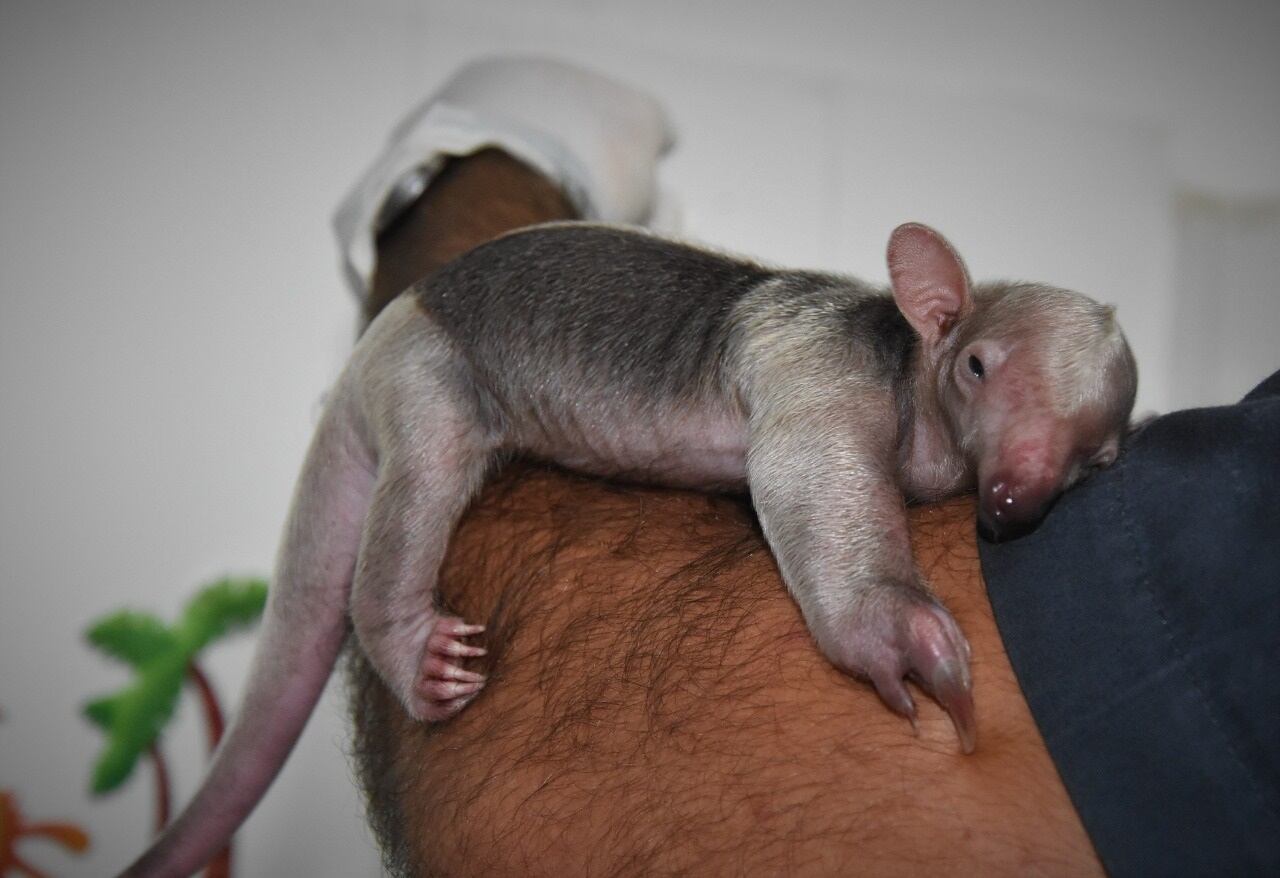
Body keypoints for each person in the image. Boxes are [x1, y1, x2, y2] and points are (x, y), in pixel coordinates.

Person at [337, 59, 1280, 877]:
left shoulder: (970, 418)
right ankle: (387, 617)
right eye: (980, 373)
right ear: (935, 311)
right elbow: (806, 452)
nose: (1019, 475)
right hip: (457, 342)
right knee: (437, 434)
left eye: (1080, 460)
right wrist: (867, 588)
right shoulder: (838, 353)